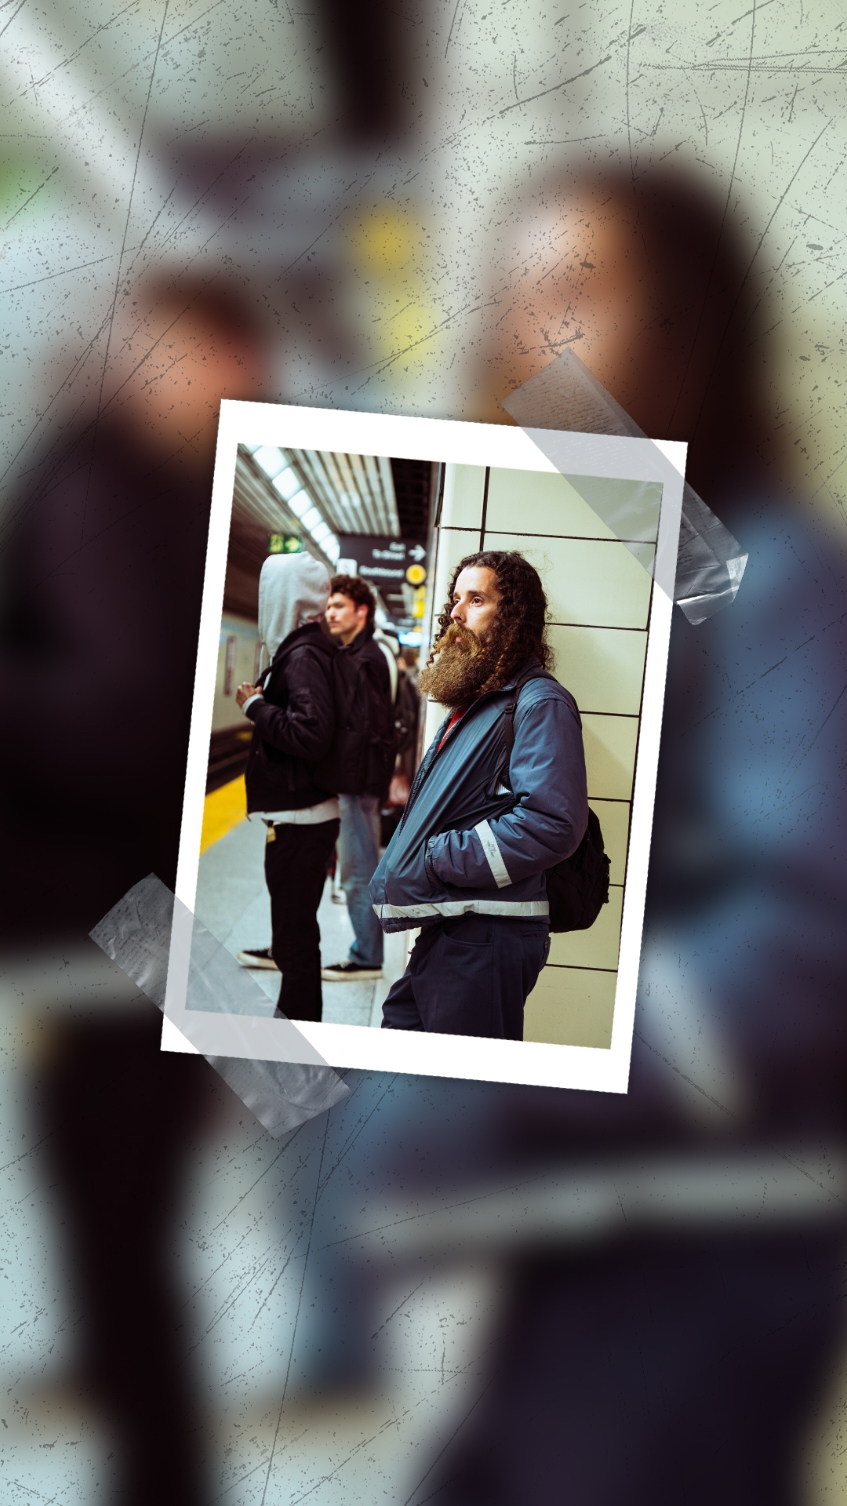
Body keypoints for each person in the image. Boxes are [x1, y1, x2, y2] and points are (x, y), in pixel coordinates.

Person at [370, 550, 588, 1039]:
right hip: (456, 923)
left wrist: (438, 857)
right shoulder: (482, 702)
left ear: (511, 617)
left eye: (476, 599)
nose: (456, 612)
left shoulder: (539, 703)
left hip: (490, 933)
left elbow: (553, 824)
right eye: (455, 599)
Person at [234, 552, 339, 1022]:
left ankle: (294, 1040)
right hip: (301, 817)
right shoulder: (307, 651)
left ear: (286, 598)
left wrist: (256, 706)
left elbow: (311, 736)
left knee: (294, 940)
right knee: (293, 935)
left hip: (302, 821)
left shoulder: (302, 657)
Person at [320, 573, 394, 981]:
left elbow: (366, 731)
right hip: (360, 782)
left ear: (361, 611)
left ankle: (367, 955)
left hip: (356, 785)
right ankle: (367, 950)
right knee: (357, 868)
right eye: (328, 606)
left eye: (338, 606)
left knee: (357, 871)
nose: (330, 612)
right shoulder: (360, 653)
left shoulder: (363, 659)